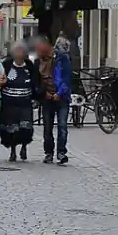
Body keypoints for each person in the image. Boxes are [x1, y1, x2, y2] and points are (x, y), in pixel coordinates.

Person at [33, 35, 71, 165]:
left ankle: (61, 152)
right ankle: (48, 153)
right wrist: (44, 93)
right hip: (47, 98)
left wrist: (59, 93)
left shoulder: (62, 58)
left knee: (62, 126)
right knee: (47, 127)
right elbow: (36, 81)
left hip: (62, 97)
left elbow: (66, 78)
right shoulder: (38, 62)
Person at [0, 41, 37, 161]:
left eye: (22, 54)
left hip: (25, 102)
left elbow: (35, 81)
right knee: (12, 128)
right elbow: (1, 79)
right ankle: (13, 151)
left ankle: (24, 147)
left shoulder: (29, 66)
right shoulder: (7, 65)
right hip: (10, 102)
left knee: (25, 127)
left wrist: (36, 96)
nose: (19, 56)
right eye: (17, 53)